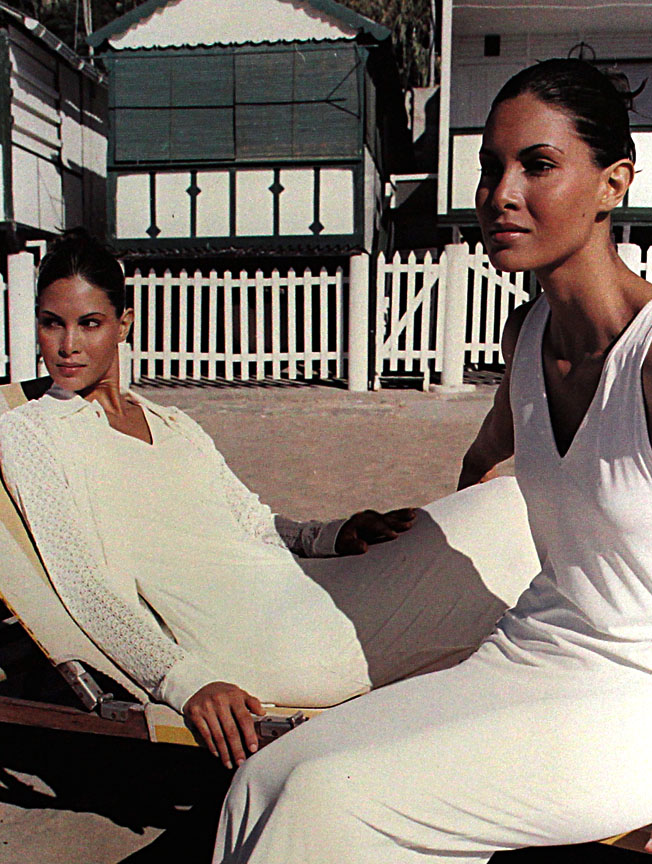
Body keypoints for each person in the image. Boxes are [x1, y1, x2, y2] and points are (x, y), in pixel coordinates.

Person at [147, 58, 652, 864]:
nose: (500, 193)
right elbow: (486, 463)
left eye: (537, 165)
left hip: (640, 699)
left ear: (613, 183)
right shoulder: (528, 339)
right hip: (530, 653)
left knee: (331, 804)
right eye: (490, 167)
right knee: (267, 780)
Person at [0, 229, 538, 769]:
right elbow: (82, 587)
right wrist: (184, 681)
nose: (67, 345)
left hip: (294, 586)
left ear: (124, 324)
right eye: (52, 323)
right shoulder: (31, 432)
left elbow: (251, 520)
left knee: (507, 502)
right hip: (253, 639)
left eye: (89, 323)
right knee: (509, 550)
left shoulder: (171, 421)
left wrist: (334, 534)